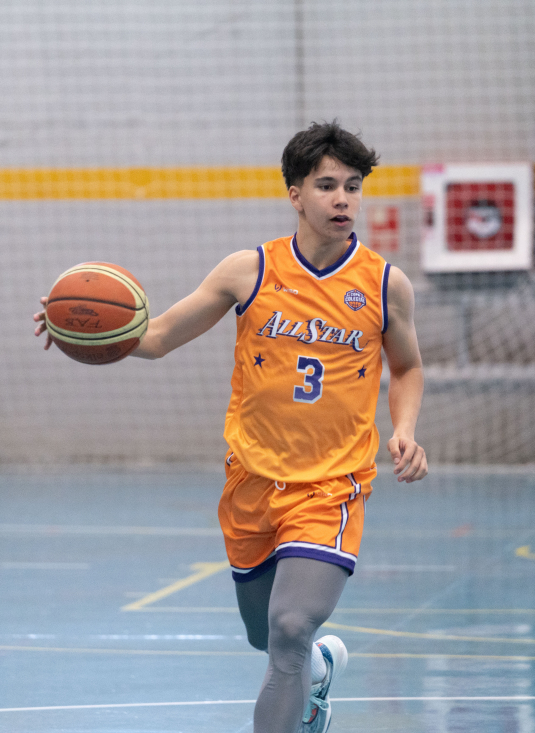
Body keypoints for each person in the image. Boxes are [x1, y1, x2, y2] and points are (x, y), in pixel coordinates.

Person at [34, 121, 428, 733]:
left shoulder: (383, 283)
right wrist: (82, 328)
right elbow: (157, 338)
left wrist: (404, 428)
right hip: (251, 482)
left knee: (290, 629)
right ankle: (319, 671)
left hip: (332, 486)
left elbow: (406, 367)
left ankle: (302, 683)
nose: (343, 199)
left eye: (353, 187)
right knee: (266, 635)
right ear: (295, 194)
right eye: (326, 186)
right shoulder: (249, 271)